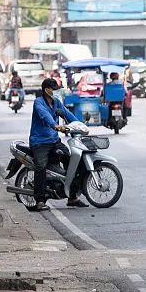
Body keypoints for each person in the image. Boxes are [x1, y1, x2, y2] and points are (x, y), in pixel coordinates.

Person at [29, 77, 85, 209]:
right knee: (40, 167)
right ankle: (40, 200)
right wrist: (55, 126)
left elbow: (67, 114)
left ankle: (72, 197)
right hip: (40, 142)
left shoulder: (57, 102)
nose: (56, 92)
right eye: (54, 90)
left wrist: (80, 125)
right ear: (46, 90)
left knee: (72, 161)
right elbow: (45, 116)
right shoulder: (39, 102)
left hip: (54, 140)